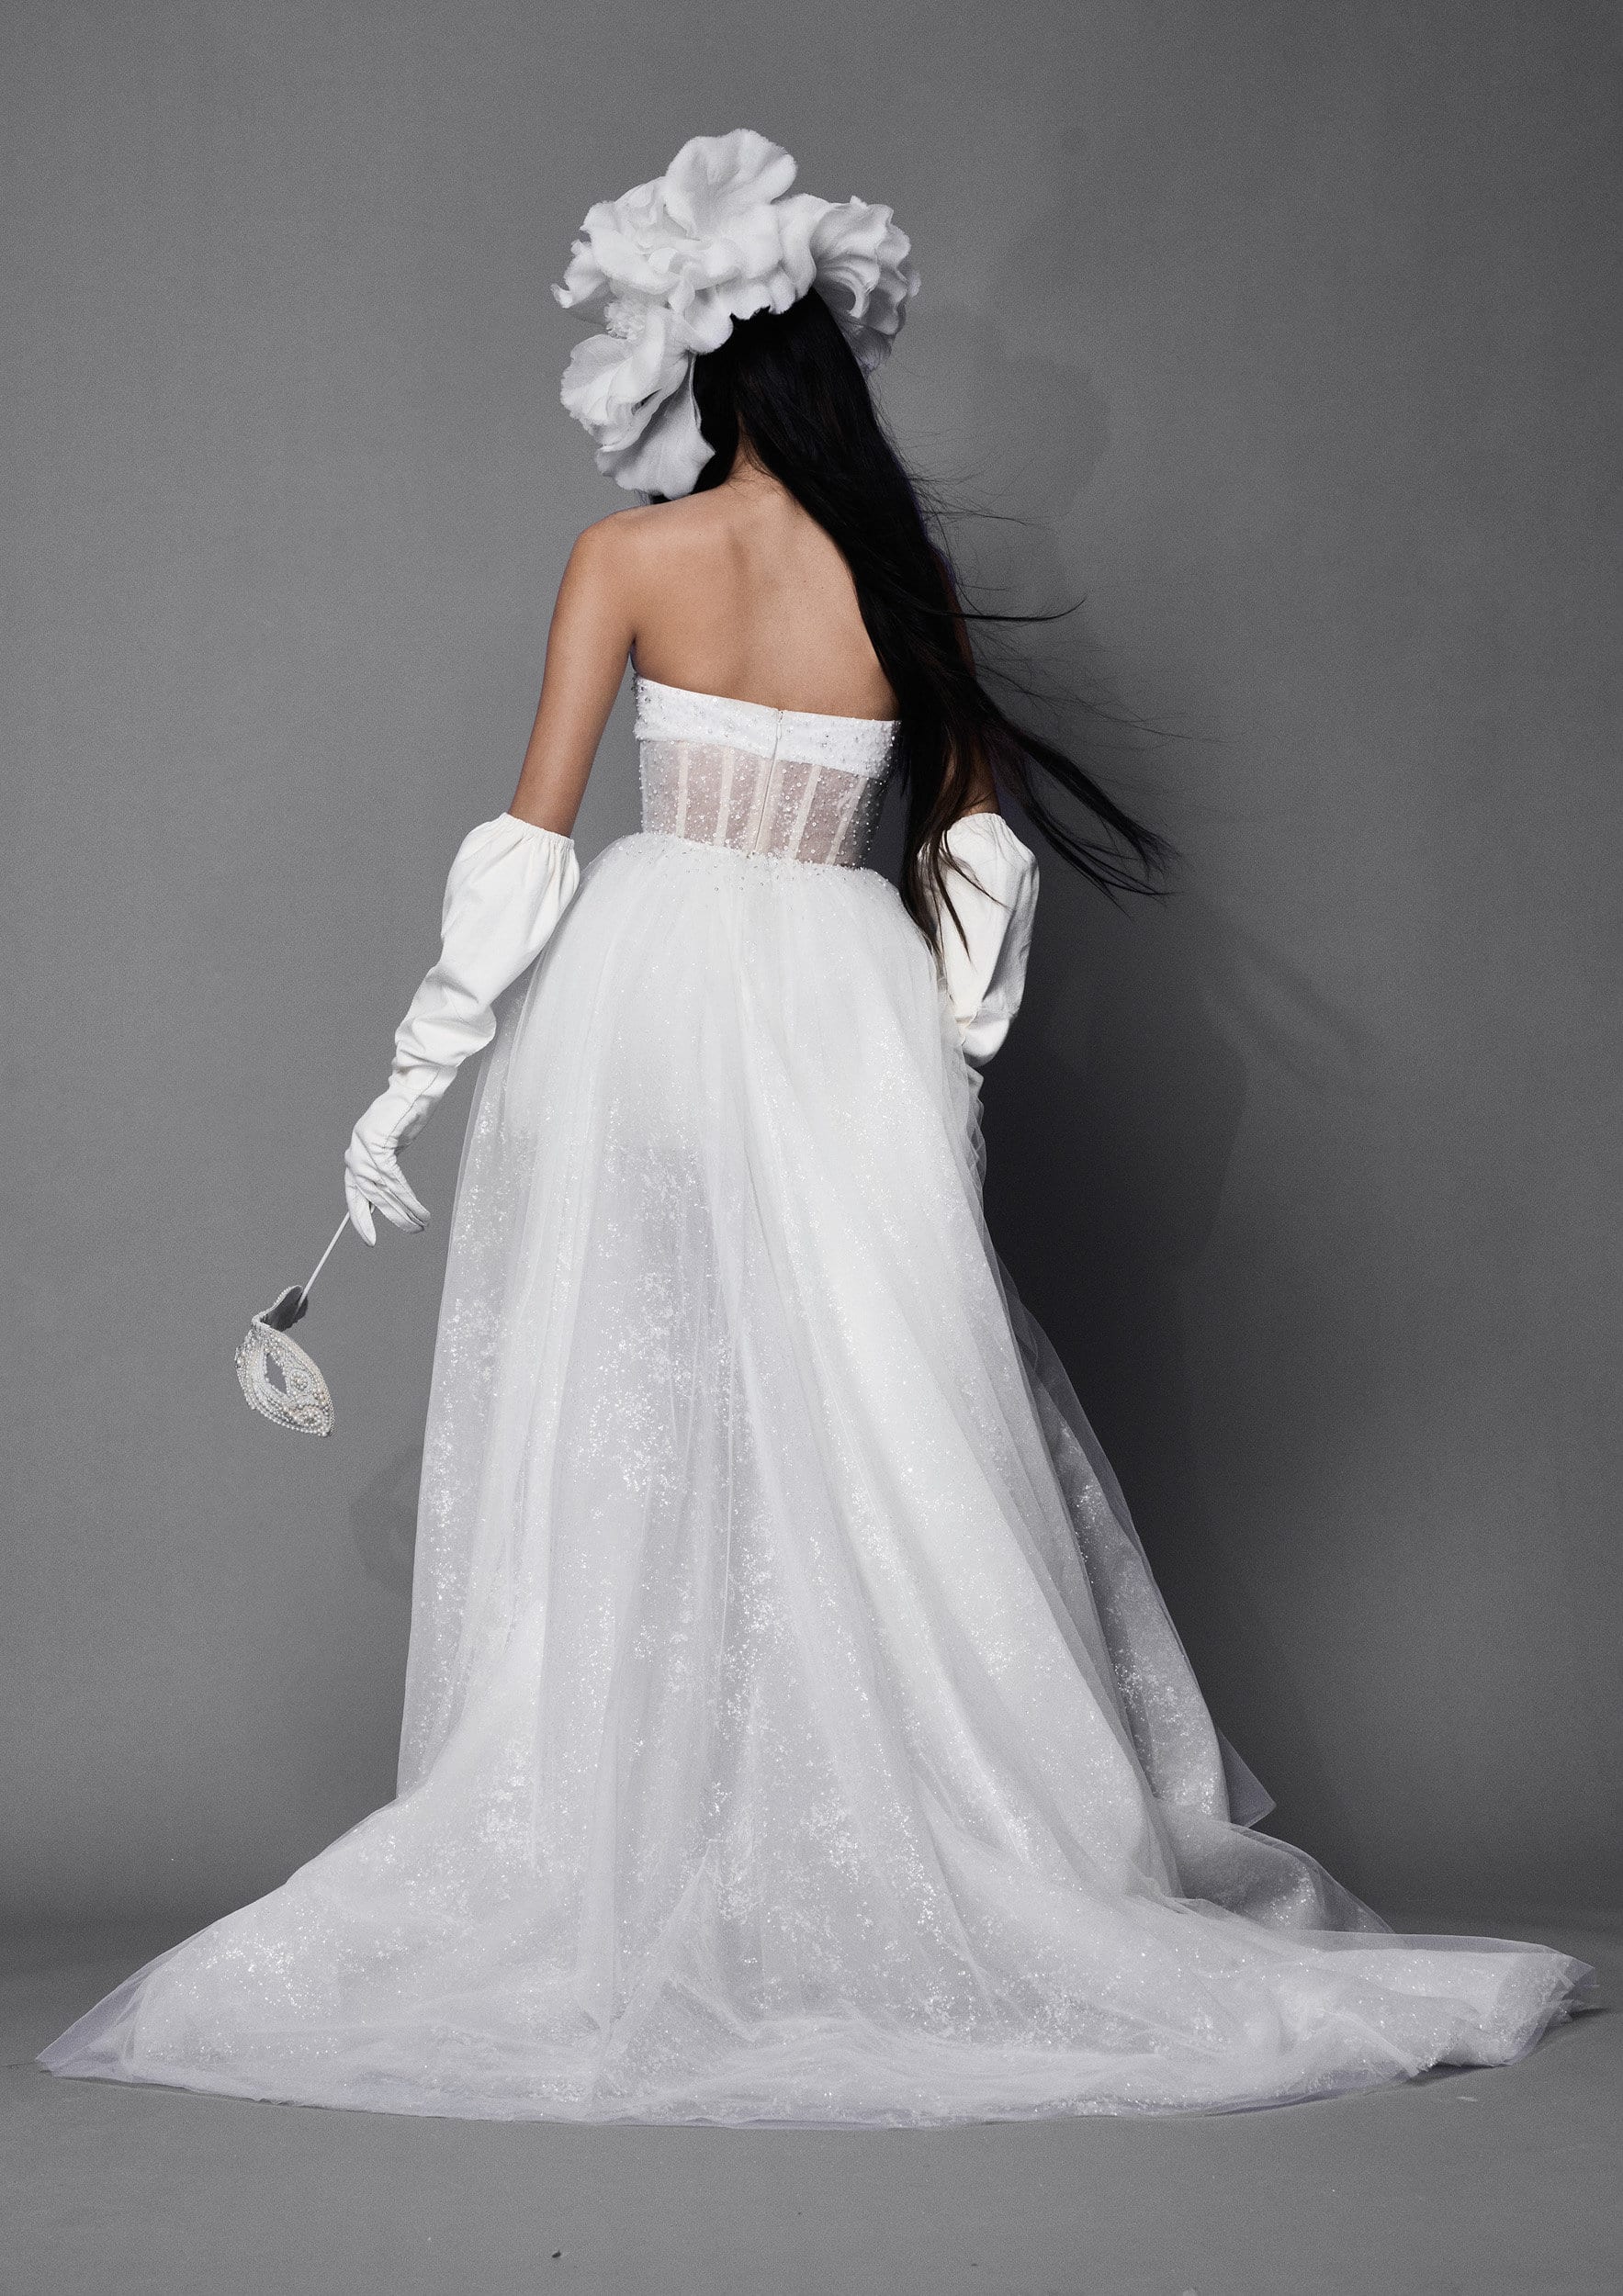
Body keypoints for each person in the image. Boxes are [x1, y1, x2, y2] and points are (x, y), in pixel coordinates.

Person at [42, 132, 1588, 2123]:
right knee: (870, 1418)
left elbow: (534, 840)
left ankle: (666, 1843)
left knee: (640, 1400)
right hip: (846, 1001)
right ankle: (882, 1840)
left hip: (652, 993)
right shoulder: (900, 581)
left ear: (695, 360)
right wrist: (944, 1074)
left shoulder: (628, 559)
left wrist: (410, 1080)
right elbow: (973, 857)